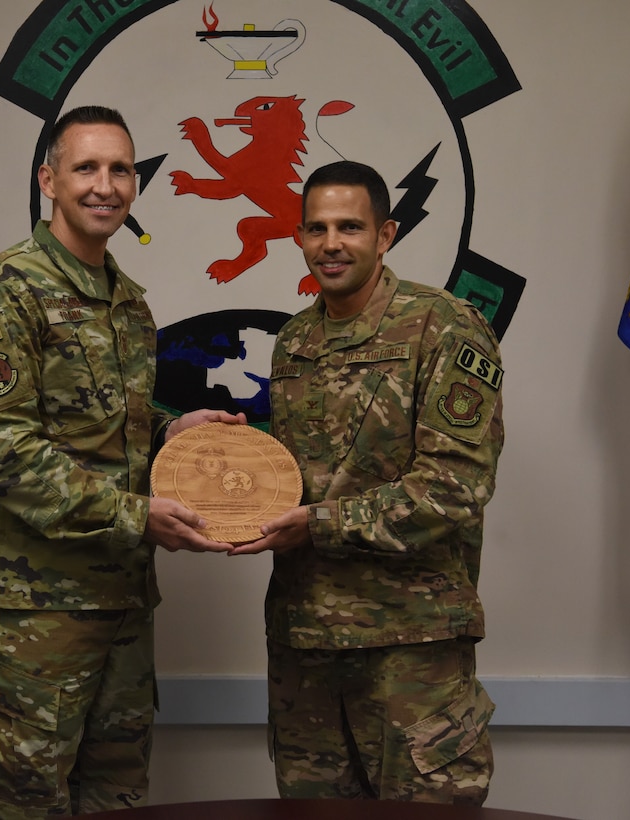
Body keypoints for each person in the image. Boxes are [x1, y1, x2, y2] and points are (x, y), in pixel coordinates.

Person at [0, 105, 245, 819]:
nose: (105, 185)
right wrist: (138, 515)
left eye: (121, 169)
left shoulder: (127, 304)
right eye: (86, 168)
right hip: (33, 628)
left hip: (123, 617)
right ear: (49, 179)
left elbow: (103, 427)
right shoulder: (2, 291)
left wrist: (171, 432)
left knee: (120, 805)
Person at [230, 160, 504, 804]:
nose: (331, 244)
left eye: (350, 227)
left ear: (386, 235)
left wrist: (316, 524)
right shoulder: (295, 341)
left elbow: (453, 486)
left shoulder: (444, 325)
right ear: (298, 236)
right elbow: (304, 477)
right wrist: (234, 467)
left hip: (411, 649)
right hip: (306, 644)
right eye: (317, 228)